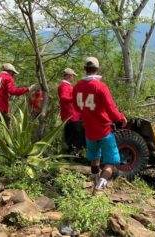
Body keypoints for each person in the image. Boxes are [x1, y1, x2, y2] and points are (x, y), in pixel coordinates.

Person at [72, 57, 127, 193]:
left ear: (85, 69)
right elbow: (112, 110)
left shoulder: (77, 86)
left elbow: (76, 107)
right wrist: (121, 118)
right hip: (104, 130)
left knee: (95, 158)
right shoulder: (101, 87)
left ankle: (95, 179)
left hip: (89, 130)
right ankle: (100, 185)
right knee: (111, 162)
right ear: (97, 69)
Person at [57, 68, 85, 153]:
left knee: (71, 135)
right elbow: (63, 98)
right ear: (69, 76)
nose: (73, 78)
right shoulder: (64, 85)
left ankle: (71, 154)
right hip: (71, 115)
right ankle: (74, 155)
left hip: (70, 115)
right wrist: (76, 98)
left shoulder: (66, 85)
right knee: (76, 136)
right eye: (73, 76)